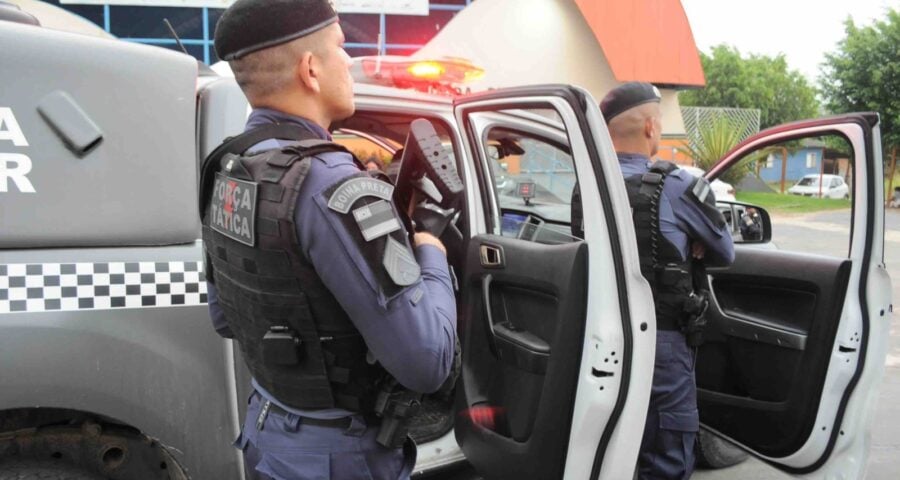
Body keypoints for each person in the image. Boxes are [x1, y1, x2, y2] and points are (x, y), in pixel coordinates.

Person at [201, 1, 458, 478]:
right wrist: (430, 250)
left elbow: (227, 318)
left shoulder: (229, 170)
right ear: (311, 69)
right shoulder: (335, 187)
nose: (348, 61)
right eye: (341, 47)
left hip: (269, 431)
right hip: (339, 456)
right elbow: (427, 362)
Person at [599, 82, 734, 480]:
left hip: (600, 336)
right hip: (662, 343)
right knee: (666, 457)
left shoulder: (586, 187)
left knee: (609, 444)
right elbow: (725, 252)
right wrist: (690, 240)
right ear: (651, 127)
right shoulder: (676, 187)